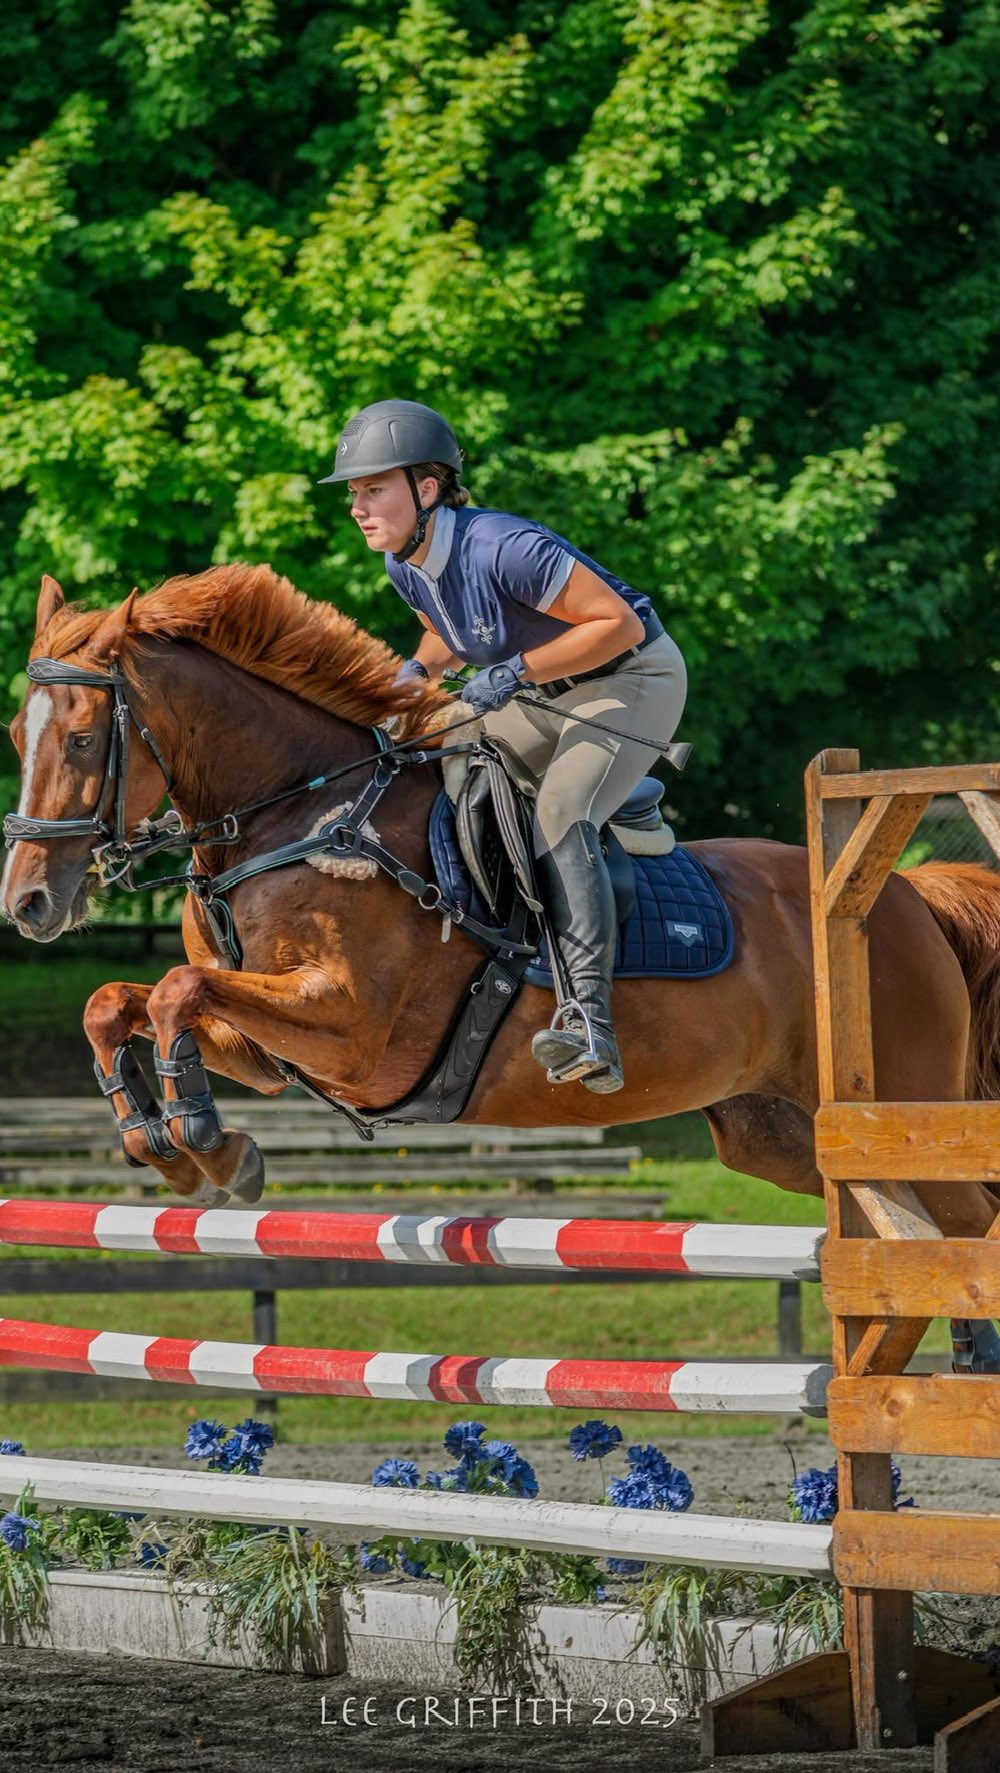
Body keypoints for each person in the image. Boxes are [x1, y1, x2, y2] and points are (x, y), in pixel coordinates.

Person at [318, 399, 687, 1093]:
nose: (357, 507)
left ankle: (588, 1017)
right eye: (354, 494)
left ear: (427, 489)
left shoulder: (503, 545)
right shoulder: (406, 561)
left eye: (373, 489)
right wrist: (416, 675)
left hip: (630, 677)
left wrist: (512, 673)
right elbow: (450, 630)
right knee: (436, 750)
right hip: (549, 695)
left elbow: (616, 625)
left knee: (562, 809)